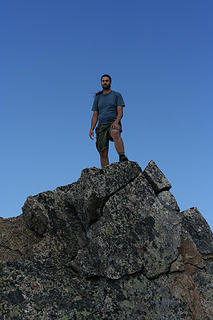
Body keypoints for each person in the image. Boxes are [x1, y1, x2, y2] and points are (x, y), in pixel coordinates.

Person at [89, 74, 128, 168]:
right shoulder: (98, 98)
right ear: (101, 83)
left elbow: (120, 112)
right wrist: (91, 129)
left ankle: (122, 156)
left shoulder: (116, 95)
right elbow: (95, 115)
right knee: (102, 151)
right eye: (103, 81)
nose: (105, 82)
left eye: (107, 80)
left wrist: (116, 122)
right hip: (101, 125)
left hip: (112, 122)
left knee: (115, 132)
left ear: (110, 82)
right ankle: (105, 170)